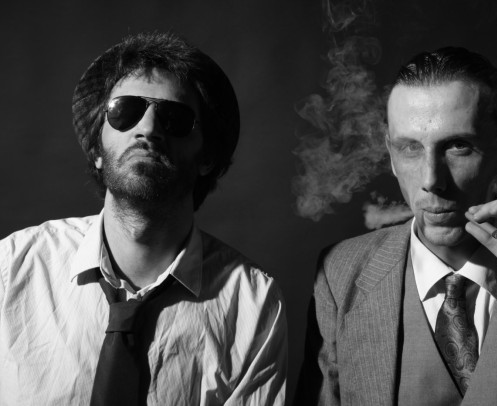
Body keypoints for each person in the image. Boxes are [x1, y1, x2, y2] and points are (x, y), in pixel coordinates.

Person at [296, 46, 497, 405]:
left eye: (458, 146)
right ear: (391, 156)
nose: (432, 180)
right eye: (410, 148)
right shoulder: (339, 276)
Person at [0, 32, 286, 405]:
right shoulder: (12, 268)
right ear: (97, 150)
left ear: (207, 159)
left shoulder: (251, 302)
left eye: (175, 118)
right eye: (125, 111)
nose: (148, 129)